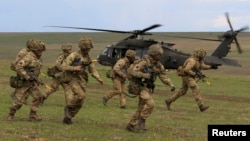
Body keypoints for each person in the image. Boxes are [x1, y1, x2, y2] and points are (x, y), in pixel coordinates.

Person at [126, 44, 176, 132]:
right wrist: (145, 75)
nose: (159, 56)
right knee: (151, 103)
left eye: (160, 54)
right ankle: (142, 120)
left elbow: (163, 76)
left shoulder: (158, 65)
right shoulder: (144, 62)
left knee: (141, 108)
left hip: (147, 87)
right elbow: (133, 72)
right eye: (158, 54)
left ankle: (131, 125)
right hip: (139, 85)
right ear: (153, 54)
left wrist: (170, 84)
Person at [60, 37, 104, 124]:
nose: (89, 49)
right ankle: (68, 109)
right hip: (72, 79)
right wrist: (74, 68)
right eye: (88, 48)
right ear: (83, 47)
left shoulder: (87, 57)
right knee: (80, 95)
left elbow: (92, 69)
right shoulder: (74, 55)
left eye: (90, 48)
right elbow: (63, 66)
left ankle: (68, 117)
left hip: (82, 80)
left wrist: (98, 78)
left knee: (81, 101)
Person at [7, 39, 46, 121]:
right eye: (40, 50)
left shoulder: (37, 58)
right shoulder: (28, 57)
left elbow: (35, 71)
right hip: (24, 83)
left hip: (32, 83)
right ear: (35, 50)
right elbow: (18, 67)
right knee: (18, 102)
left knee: (39, 97)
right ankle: (11, 114)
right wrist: (26, 76)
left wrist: (37, 80)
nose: (41, 52)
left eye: (42, 50)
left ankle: (33, 114)